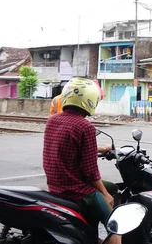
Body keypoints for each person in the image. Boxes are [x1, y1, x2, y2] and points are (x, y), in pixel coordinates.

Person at [42, 77, 119, 244]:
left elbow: (68, 146)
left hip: (55, 186)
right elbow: (90, 172)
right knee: (116, 227)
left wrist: (102, 149)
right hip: (77, 190)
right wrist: (105, 195)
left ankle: (90, 234)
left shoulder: (52, 121)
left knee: (113, 187)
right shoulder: (85, 127)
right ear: (90, 100)